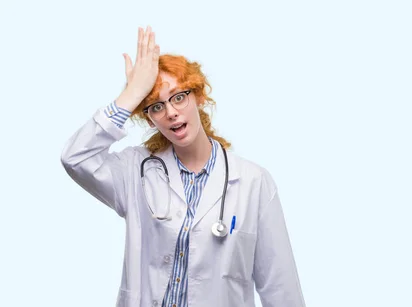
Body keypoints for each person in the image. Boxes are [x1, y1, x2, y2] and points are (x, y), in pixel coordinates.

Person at [60, 26, 305, 307]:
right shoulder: (134, 170)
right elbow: (75, 157)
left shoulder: (253, 182)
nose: (171, 112)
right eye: (156, 106)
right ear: (150, 118)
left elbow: (280, 288)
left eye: (178, 97)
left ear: (198, 97)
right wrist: (133, 94)